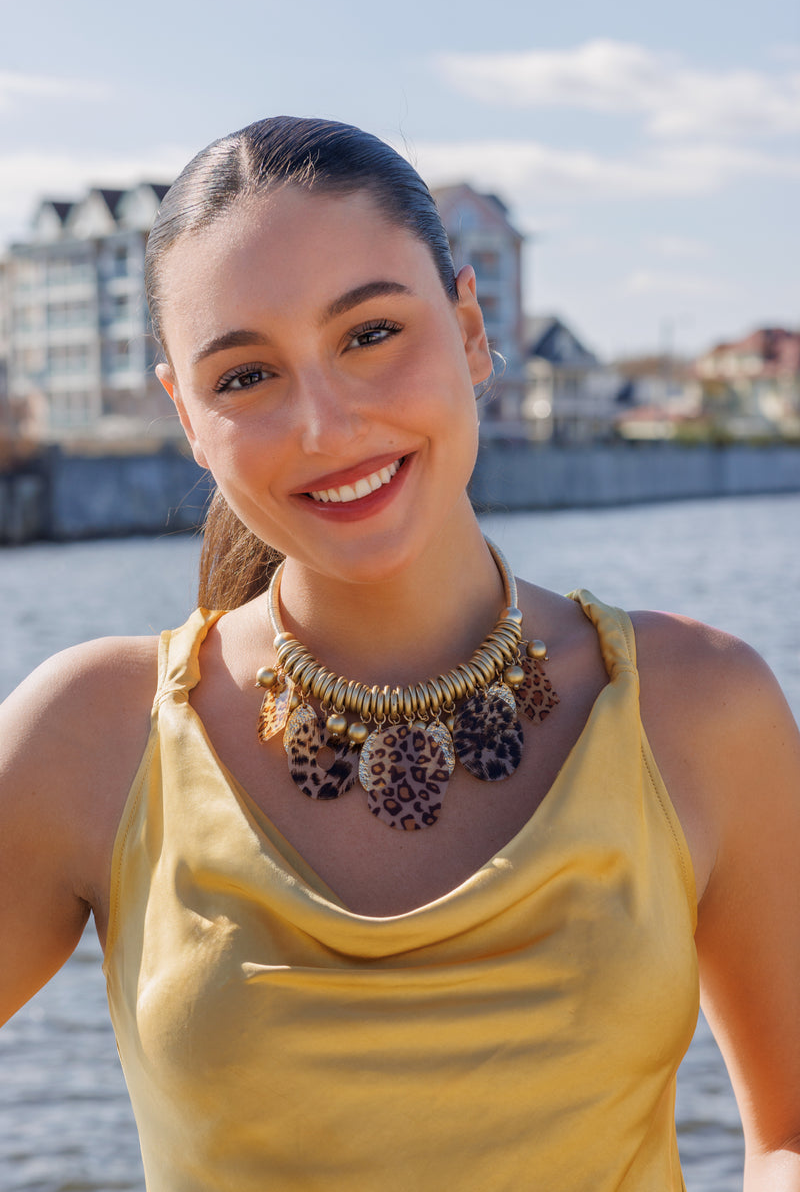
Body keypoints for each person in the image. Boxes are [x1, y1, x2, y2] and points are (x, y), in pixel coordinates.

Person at [1, 116, 798, 1192]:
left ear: (470, 328)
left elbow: (785, 1132)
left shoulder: (698, 706)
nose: (325, 426)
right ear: (185, 415)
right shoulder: (93, 734)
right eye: (244, 377)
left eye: (370, 333)